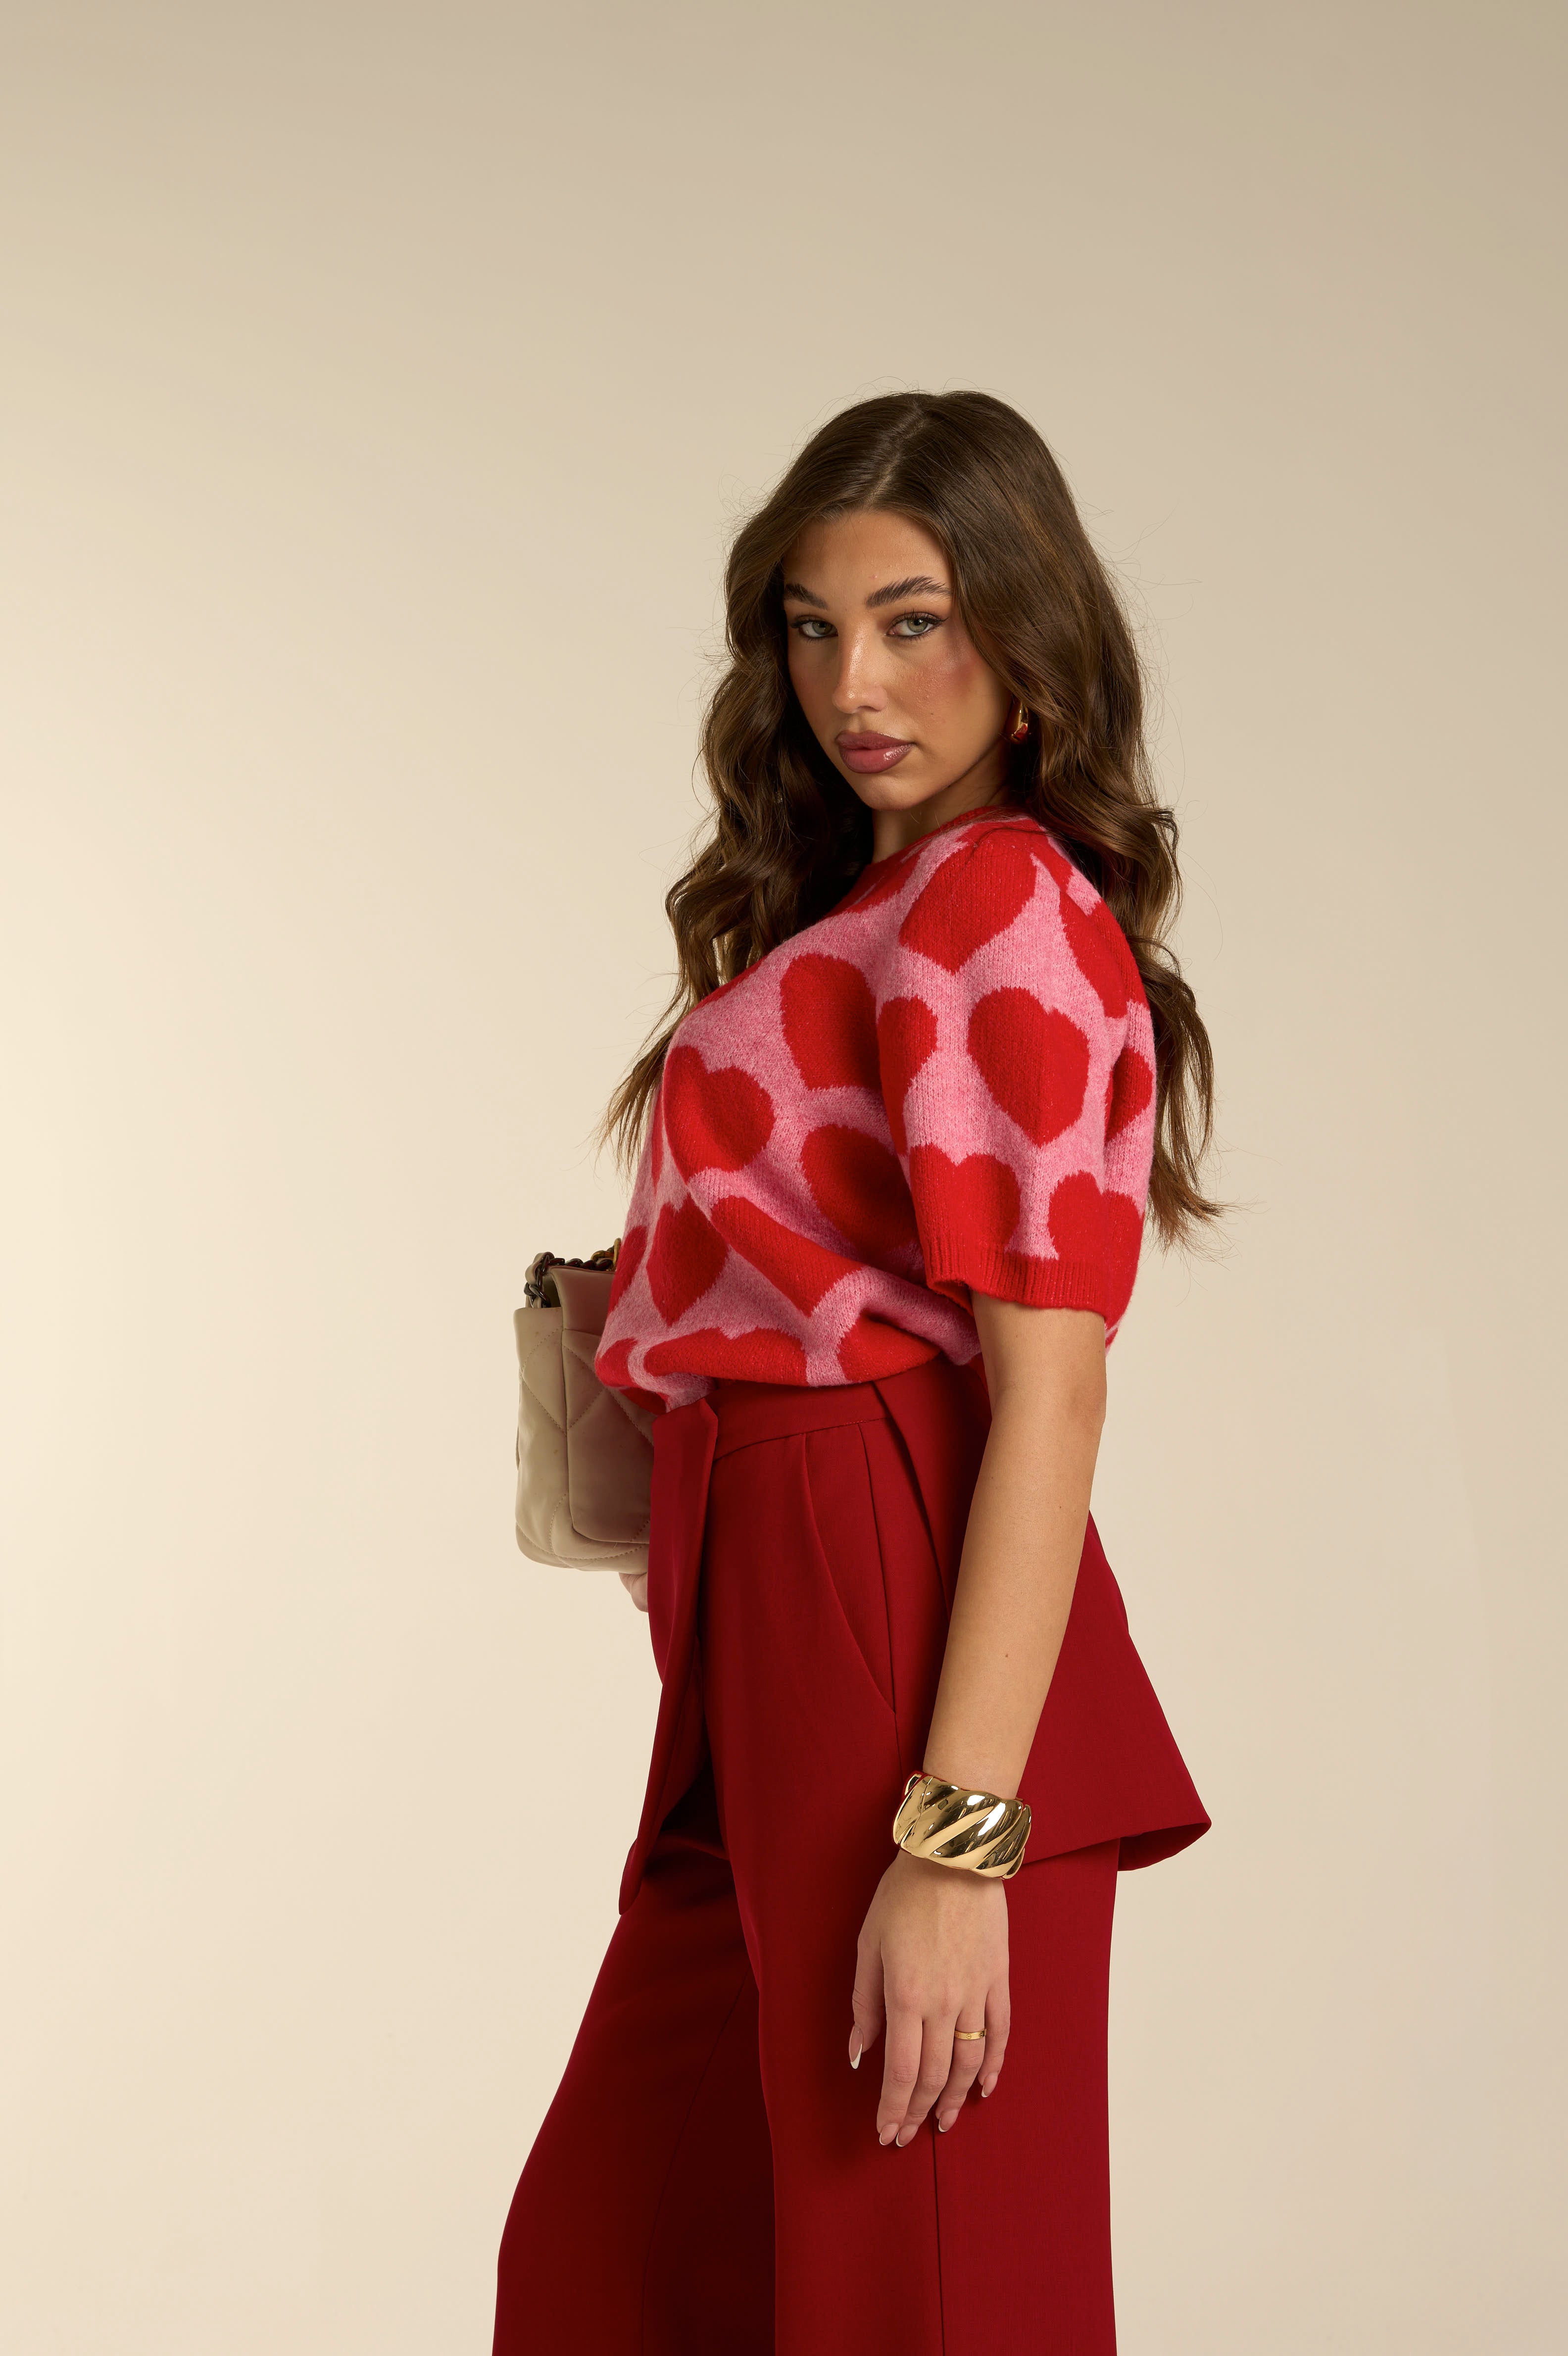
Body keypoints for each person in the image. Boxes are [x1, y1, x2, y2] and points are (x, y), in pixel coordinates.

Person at [492, 390, 1217, 2356]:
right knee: (618, 2271)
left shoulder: (998, 901)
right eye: (814, 629)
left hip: (889, 1594)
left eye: (914, 621)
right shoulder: (861, 909)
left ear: (1028, 637)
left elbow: (1051, 1385)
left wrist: (959, 1837)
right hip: (767, 1598)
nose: (854, 684)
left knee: (919, 2297)